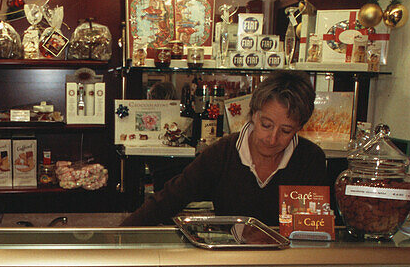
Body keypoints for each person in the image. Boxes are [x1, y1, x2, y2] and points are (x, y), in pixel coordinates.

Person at [123, 70, 328, 226]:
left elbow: (313, 231)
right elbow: (170, 198)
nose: (272, 139)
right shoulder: (223, 152)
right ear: (254, 114)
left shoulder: (310, 159)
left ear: (300, 128)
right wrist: (119, 242)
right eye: (266, 125)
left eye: (285, 130)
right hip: (228, 263)